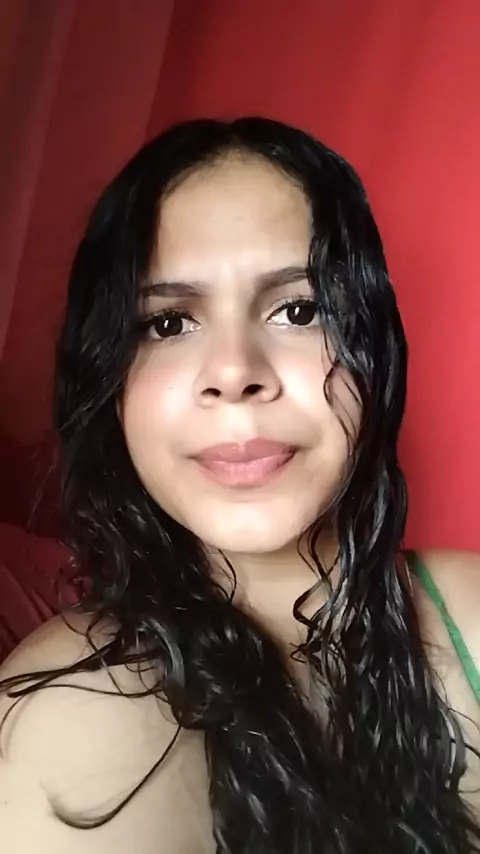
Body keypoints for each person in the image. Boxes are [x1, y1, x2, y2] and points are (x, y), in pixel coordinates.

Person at [0, 117, 479, 854]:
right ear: (109, 385)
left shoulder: (468, 609)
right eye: (168, 323)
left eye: (299, 310)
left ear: (373, 350)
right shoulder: (68, 721)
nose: (234, 372)